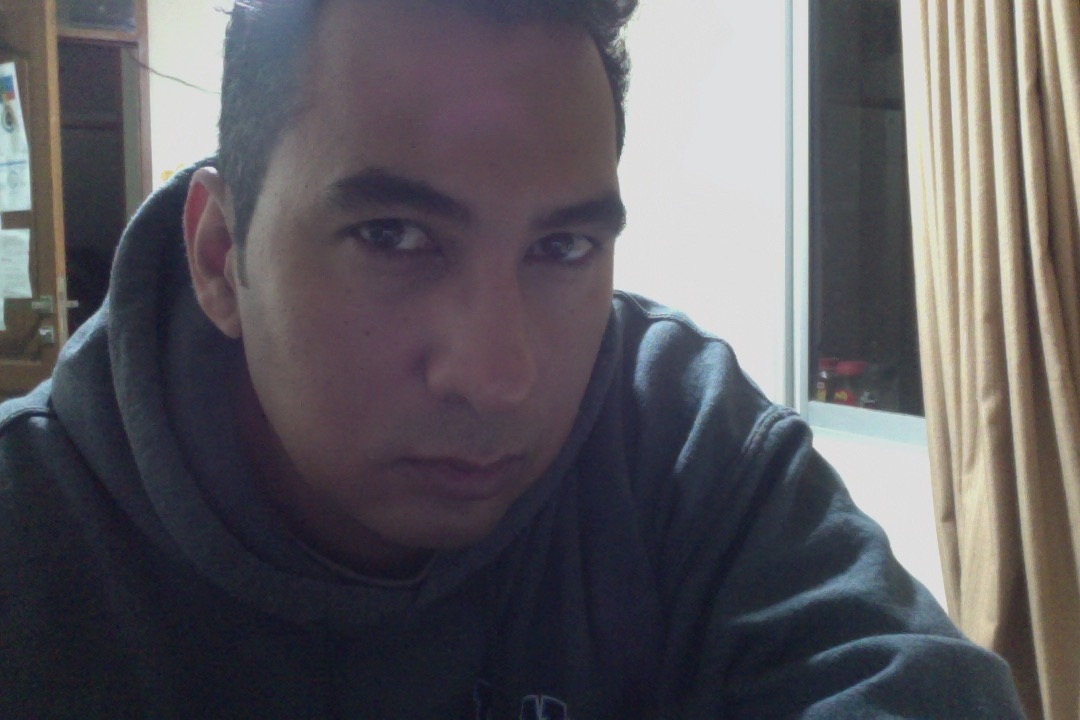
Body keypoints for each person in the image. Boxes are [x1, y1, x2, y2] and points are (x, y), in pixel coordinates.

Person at [0, 0, 1024, 717]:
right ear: (222, 257)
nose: (499, 377)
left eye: (562, 248)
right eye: (394, 237)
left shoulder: (677, 438)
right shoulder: (32, 532)